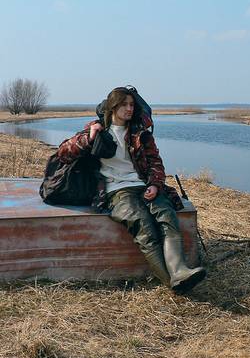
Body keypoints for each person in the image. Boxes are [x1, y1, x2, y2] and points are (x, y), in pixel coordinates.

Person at [57, 86, 206, 293]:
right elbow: (63, 152)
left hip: (143, 186)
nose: (129, 109)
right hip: (115, 191)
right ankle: (172, 282)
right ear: (112, 107)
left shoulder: (140, 134)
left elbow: (156, 163)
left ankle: (180, 271)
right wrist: (89, 138)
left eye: (132, 105)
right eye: (124, 104)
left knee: (167, 216)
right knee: (143, 226)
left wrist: (154, 184)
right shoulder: (98, 130)